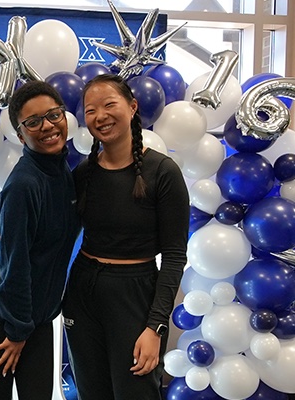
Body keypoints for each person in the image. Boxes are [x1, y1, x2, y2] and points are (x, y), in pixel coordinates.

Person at [62, 73, 190, 400]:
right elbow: (59, 233)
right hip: (83, 289)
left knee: (136, 393)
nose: (100, 116)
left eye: (109, 105)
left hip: (135, 293)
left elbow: (175, 256)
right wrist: (8, 238)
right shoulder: (84, 173)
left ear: (132, 107)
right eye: (90, 110)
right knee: (91, 392)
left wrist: (156, 326)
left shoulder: (163, 172)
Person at [0, 80, 81, 400]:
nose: (47, 126)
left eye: (53, 115)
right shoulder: (24, 184)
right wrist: (16, 331)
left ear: (64, 117)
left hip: (38, 317)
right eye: (33, 122)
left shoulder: (63, 172)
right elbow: (15, 267)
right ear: (20, 135)